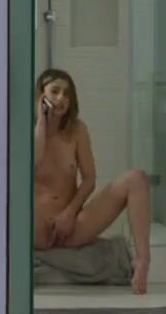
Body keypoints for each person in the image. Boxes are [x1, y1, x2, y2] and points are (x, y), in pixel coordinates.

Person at [34, 68, 152, 294]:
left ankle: (142, 259)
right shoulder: (28, 131)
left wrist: (70, 213)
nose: (61, 98)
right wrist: (41, 123)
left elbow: (89, 179)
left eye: (67, 93)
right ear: (41, 97)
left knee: (136, 179)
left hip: (71, 227)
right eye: (55, 91)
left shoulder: (77, 131)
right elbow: (30, 165)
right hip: (36, 228)